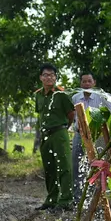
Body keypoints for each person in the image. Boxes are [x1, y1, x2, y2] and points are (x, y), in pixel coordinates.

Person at [35, 64, 75, 211]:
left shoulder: (61, 94)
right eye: (45, 75)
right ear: (41, 77)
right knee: (49, 168)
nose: (49, 77)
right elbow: (40, 114)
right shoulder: (38, 95)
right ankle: (51, 199)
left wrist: (63, 128)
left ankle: (65, 200)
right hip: (45, 135)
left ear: (56, 77)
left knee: (64, 166)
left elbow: (71, 114)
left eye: (52, 75)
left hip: (60, 133)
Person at [69, 73, 111, 185]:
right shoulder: (75, 98)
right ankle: (77, 197)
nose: (87, 84)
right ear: (80, 83)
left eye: (89, 81)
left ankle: (96, 194)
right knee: (76, 164)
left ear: (94, 82)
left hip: (97, 136)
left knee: (96, 164)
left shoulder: (102, 97)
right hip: (79, 135)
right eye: (84, 81)